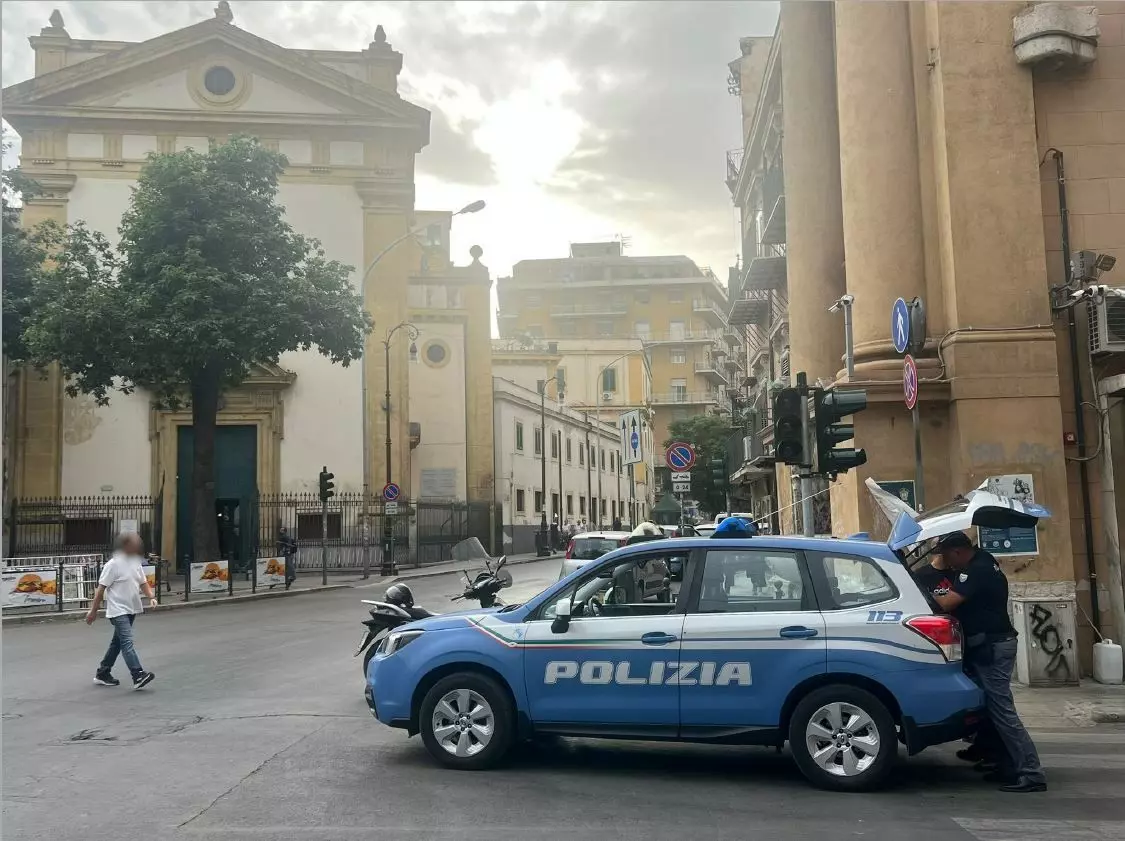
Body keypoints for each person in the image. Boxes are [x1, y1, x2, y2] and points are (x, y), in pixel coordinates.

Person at [930, 531, 1046, 793]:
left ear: (958, 551)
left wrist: (925, 586)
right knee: (990, 709)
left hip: (993, 646)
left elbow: (947, 603)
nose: (946, 562)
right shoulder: (983, 559)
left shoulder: (978, 569)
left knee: (1003, 711)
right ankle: (1003, 763)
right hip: (993, 644)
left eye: (947, 556)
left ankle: (1031, 772)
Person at [86, 532, 157, 689]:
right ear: (127, 546)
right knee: (126, 642)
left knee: (117, 643)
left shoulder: (135, 563)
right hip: (118, 610)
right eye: (136, 543)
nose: (139, 546)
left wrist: (151, 596)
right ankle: (137, 674)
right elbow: (100, 590)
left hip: (131, 608)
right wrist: (93, 611)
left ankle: (103, 673)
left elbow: (143, 582)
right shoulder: (112, 565)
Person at [278, 526, 298, 590]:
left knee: (288, 566)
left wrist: (285, 548)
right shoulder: (283, 538)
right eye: (280, 530)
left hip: (287, 555)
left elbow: (291, 546)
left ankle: (292, 577)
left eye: (281, 530)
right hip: (286, 554)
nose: (280, 531)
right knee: (285, 567)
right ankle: (288, 580)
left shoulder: (285, 538)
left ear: (284, 531)